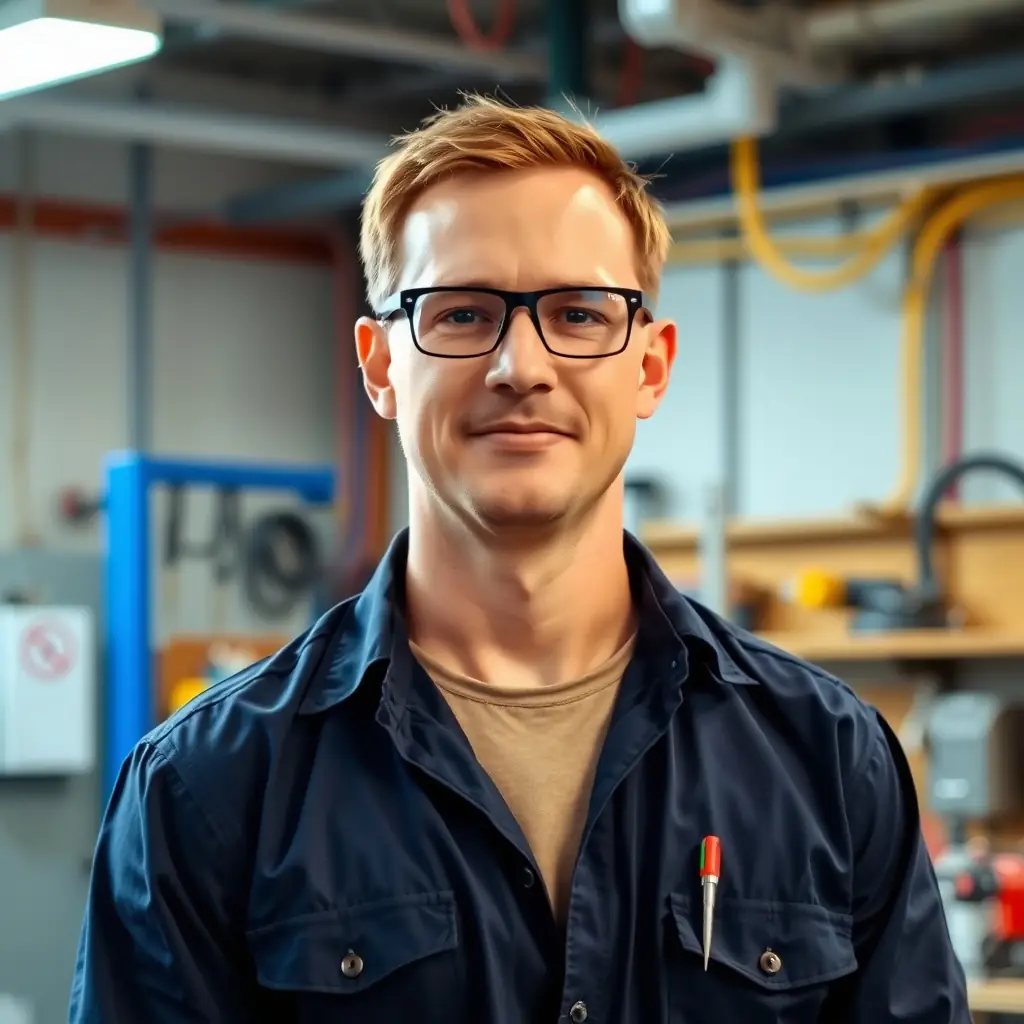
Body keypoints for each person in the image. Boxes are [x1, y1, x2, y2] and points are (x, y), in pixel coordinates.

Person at [69, 96, 970, 1024]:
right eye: (461, 313)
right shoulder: (208, 787)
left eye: (579, 313)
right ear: (380, 365)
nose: (521, 365)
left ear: (650, 366)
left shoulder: (826, 760)